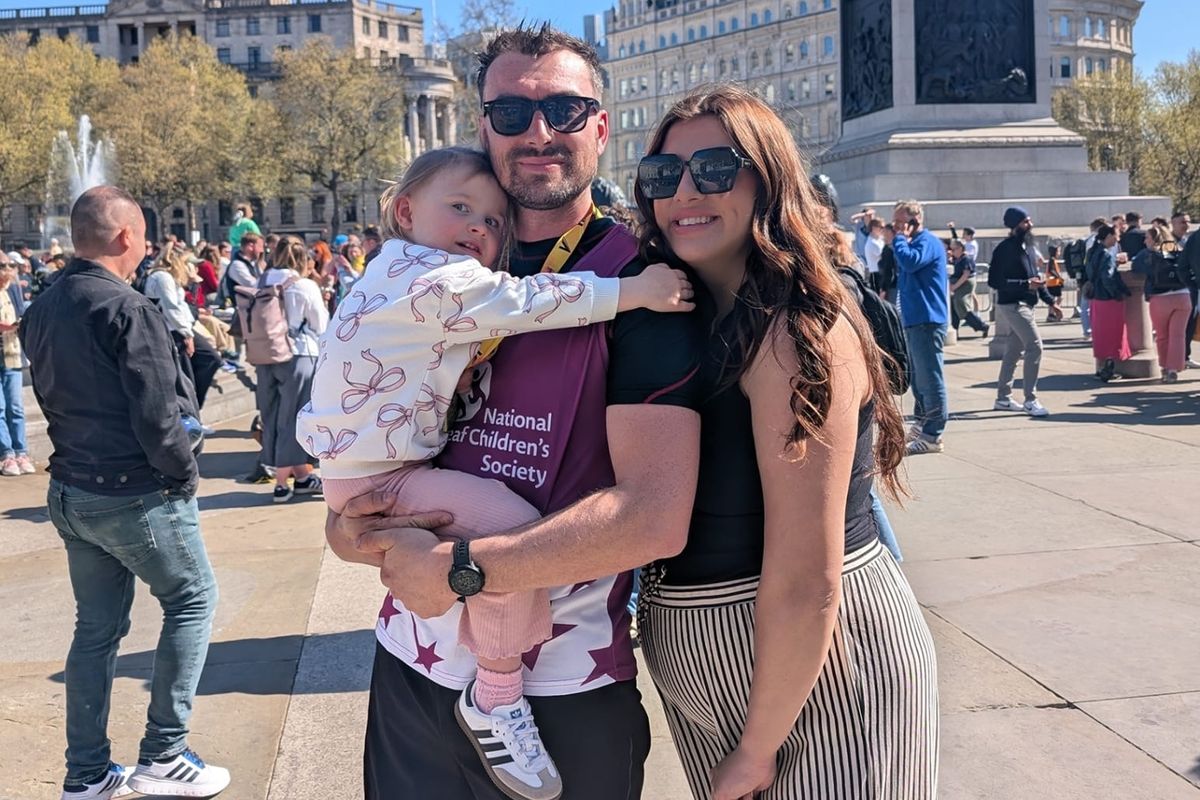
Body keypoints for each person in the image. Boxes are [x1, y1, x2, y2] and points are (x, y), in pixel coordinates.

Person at [324, 24, 707, 800]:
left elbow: (654, 517)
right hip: (411, 664)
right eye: (511, 113)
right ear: (482, 128)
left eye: (565, 111)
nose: (539, 133)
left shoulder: (639, 281)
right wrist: (347, 527)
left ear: (602, 126)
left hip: (559, 688)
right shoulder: (443, 261)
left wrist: (459, 569)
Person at [628, 80, 938, 800]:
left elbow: (806, 579)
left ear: (769, 180)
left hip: (816, 672)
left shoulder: (795, 331)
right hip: (713, 666)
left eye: (714, 169)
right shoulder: (676, 313)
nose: (683, 192)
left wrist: (758, 747)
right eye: (662, 175)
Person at [19, 186, 230, 800]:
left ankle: (86, 773)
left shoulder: (44, 305)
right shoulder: (128, 308)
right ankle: (164, 753)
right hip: (132, 491)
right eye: (140, 237)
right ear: (122, 237)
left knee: (96, 630)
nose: (143, 250)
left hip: (72, 487)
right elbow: (158, 417)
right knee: (192, 600)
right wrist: (183, 476)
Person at [253, 236, 329, 503]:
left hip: (265, 354)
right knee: (295, 418)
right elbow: (321, 325)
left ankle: (301, 475)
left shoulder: (262, 280)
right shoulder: (304, 285)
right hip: (299, 354)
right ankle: (282, 484)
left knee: (272, 415)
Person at [891, 199, 949, 455]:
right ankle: (923, 422)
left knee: (929, 378)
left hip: (927, 319)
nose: (896, 228)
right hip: (916, 319)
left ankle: (932, 434)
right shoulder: (915, 242)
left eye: (899, 222)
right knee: (918, 377)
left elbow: (910, 262)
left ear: (914, 220)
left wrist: (900, 239)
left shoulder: (926, 241)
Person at [987, 207, 1050, 417]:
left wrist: (1050, 301)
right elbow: (994, 281)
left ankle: (1003, 398)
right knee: (1035, 346)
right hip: (1013, 304)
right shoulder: (1005, 249)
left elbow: (1035, 277)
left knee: (1013, 351)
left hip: (1026, 304)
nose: (1029, 225)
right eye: (1025, 222)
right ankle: (1030, 400)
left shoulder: (1027, 247)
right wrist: (1024, 284)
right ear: (1015, 225)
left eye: (1029, 221)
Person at [143, 246, 222, 411]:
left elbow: (185, 306)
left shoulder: (170, 278)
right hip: (173, 332)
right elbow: (171, 308)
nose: (193, 268)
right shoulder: (162, 278)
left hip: (181, 328)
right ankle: (189, 416)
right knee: (186, 377)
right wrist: (186, 334)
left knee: (210, 360)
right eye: (189, 264)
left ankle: (193, 411)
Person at [1136, 224, 1194, 383]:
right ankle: (1174, 368)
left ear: (1154, 238)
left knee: (1162, 336)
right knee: (1178, 335)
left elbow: (1136, 267)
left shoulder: (1148, 253)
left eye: (1147, 237)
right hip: (1183, 296)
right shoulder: (1177, 249)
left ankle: (1165, 368)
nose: (1144, 241)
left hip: (1160, 297)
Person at [0, 252, 34, 476]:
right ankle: (7, 454)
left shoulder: (13, 288)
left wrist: (18, 323)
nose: (8, 270)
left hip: (12, 353)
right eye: (4, 266)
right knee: (0, 408)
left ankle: (21, 452)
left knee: (15, 406)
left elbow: (21, 313)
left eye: (10, 265)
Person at [1086, 223, 1132, 382]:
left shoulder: (1093, 251)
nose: (1118, 239)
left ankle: (1100, 367)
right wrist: (1117, 293)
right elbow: (1108, 277)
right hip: (1108, 299)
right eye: (1116, 236)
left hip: (1095, 297)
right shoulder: (1107, 254)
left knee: (1100, 334)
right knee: (1114, 335)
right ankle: (1109, 368)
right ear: (1109, 236)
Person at [948, 239, 988, 337]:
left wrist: (954, 286)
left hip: (965, 284)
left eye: (954, 249)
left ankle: (981, 326)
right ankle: (955, 329)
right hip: (958, 283)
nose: (952, 252)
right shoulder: (957, 259)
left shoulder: (966, 259)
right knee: (954, 306)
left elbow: (966, 275)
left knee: (962, 306)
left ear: (961, 248)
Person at [863, 217, 885, 291]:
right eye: (881, 227)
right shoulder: (872, 243)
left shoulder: (879, 240)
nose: (883, 229)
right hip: (876, 274)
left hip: (881, 273)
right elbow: (884, 256)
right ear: (874, 228)